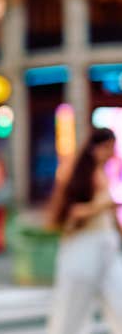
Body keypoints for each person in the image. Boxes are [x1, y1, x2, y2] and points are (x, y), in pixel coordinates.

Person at [47, 127, 122, 334]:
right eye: (108, 147)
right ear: (96, 148)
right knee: (72, 306)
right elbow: (72, 212)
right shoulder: (78, 174)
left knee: (119, 299)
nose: (111, 153)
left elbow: (110, 216)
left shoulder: (104, 174)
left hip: (106, 245)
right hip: (84, 246)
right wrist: (102, 205)